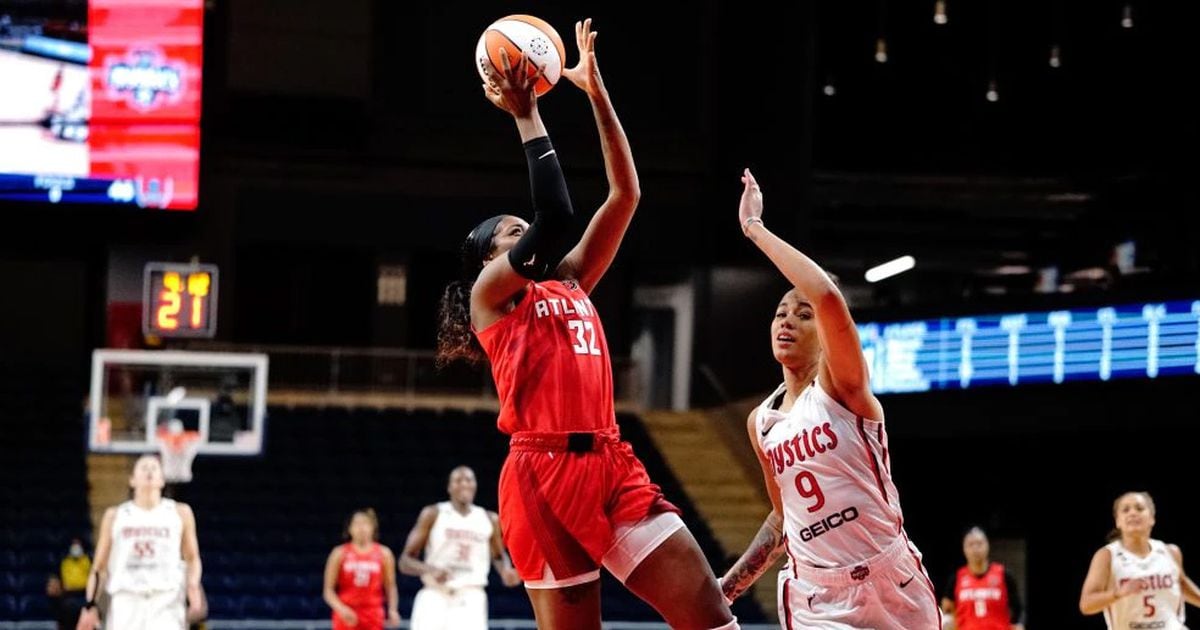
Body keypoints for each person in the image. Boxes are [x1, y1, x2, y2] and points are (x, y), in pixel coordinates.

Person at [435, 18, 737, 630]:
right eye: (513, 234)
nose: (529, 237)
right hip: (540, 474)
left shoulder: (568, 279)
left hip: (612, 463)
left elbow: (625, 195)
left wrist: (596, 93)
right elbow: (555, 213)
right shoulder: (491, 296)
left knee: (711, 617)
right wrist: (526, 115)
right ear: (491, 258)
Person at [717, 169, 941, 629]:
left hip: (892, 581)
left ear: (828, 333)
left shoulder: (843, 391)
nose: (787, 321)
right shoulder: (761, 421)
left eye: (803, 315)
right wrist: (729, 586)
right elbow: (784, 519)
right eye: (781, 312)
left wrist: (755, 229)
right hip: (818, 595)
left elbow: (826, 296)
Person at [76, 454, 204, 630]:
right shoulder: (115, 515)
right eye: (144, 467)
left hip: (167, 600)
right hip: (126, 601)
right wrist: (90, 605)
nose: (149, 471)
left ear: (162, 480)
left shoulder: (180, 512)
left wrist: (193, 586)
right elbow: (99, 568)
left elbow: (192, 558)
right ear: (132, 480)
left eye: (154, 468)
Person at [400, 466, 522, 630]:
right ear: (449, 487)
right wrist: (430, 570)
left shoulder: (489, 518)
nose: (464, 484)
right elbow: (405, 561)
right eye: (458, 480)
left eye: (469, 480)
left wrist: (505, 571)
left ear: (475, 485)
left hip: (471, 596)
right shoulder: (433, 513)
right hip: (435, 594)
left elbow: (498, 556)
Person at [1080, 491, 1200, 629]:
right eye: (1125, 510)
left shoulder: (1171, 551)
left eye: (1139, 508)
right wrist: (1117, 593)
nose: (1132, 513)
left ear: (1152, 518)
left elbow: (1182, 585)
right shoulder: (1107, 555)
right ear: (1117, 521)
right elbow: (1086, 604)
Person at [322, 508, 402, 630]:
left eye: (365, 523)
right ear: (349, 528)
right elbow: (328, 591)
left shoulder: (384, 553)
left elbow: (390, 586)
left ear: (373, 527)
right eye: (357, 524)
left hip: (373, 613)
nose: (361, 528)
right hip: (346, 612)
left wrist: (392, 609)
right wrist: (341, 609)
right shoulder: (339, 553)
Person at [940, 527, 1025, 630]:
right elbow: (947, 612)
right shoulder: (956, 579)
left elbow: (1019, 610)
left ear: (988, 545)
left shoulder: (1004, 575)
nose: (976, 548)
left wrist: (1018, 624)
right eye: (971, 544)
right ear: (964, 548)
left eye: (980, 543)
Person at [58, 538, 90, 628]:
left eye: (78, 545)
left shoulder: (87, 560)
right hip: (69, 595)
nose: (76, 547)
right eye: (74, 545)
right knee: (66, 608)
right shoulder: (65, 562)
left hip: (84, 593)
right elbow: (65, 582)